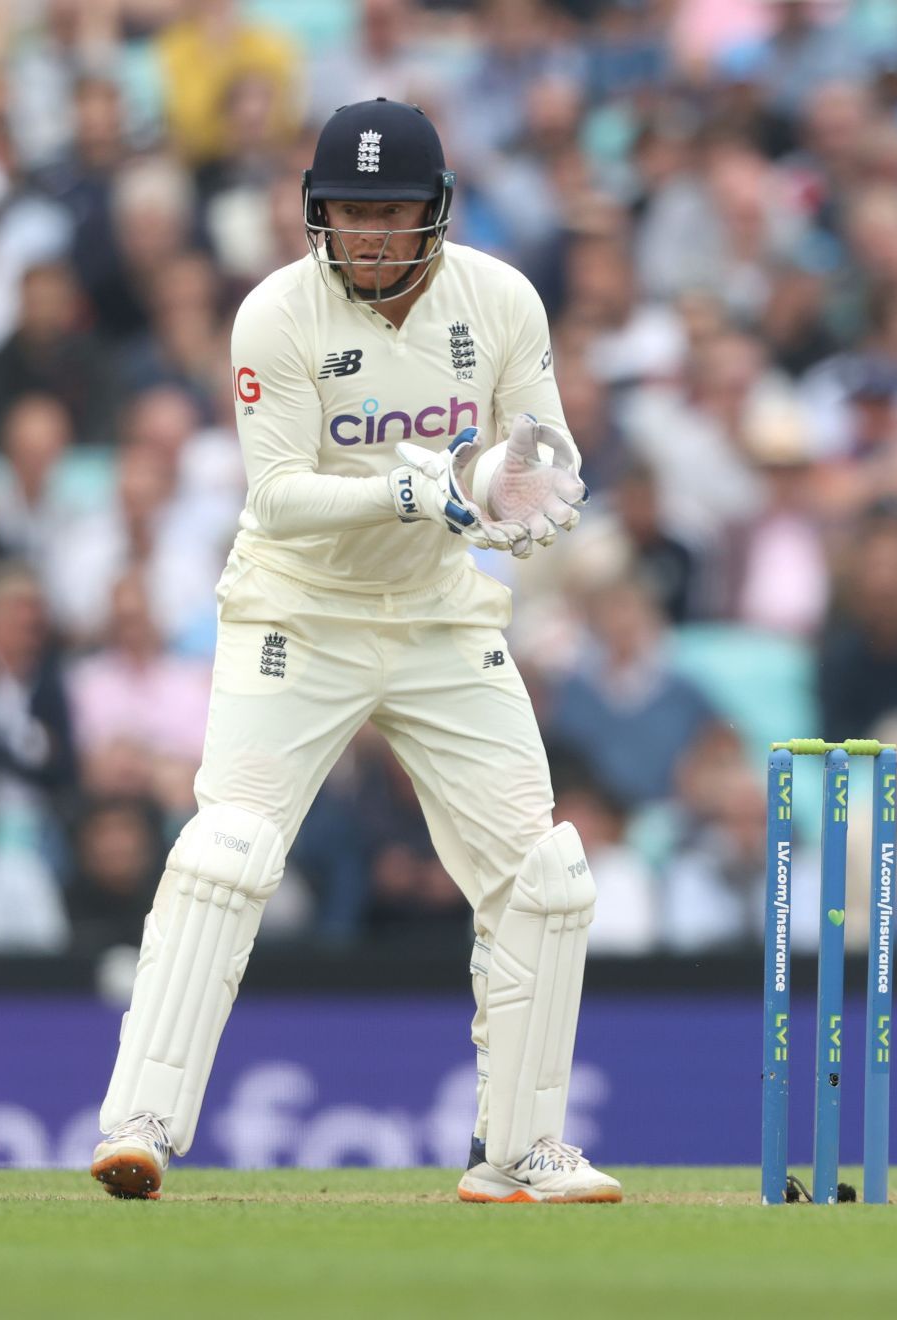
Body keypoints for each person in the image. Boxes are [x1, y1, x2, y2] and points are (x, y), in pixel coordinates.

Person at [89, 99, 607, 1204]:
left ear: (437, 211)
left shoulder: (501, 298)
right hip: (297, 615)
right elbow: (275, 499)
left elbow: (542, 444)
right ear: (319, 214)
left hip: (438, 618)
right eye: (352, 212)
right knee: (228, 849)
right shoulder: (275, 314)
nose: (372, 236)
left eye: (394, 212)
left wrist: (532, 491)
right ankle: (139, 1120)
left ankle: (519, 1152)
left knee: (546, 872)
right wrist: (421, 487)